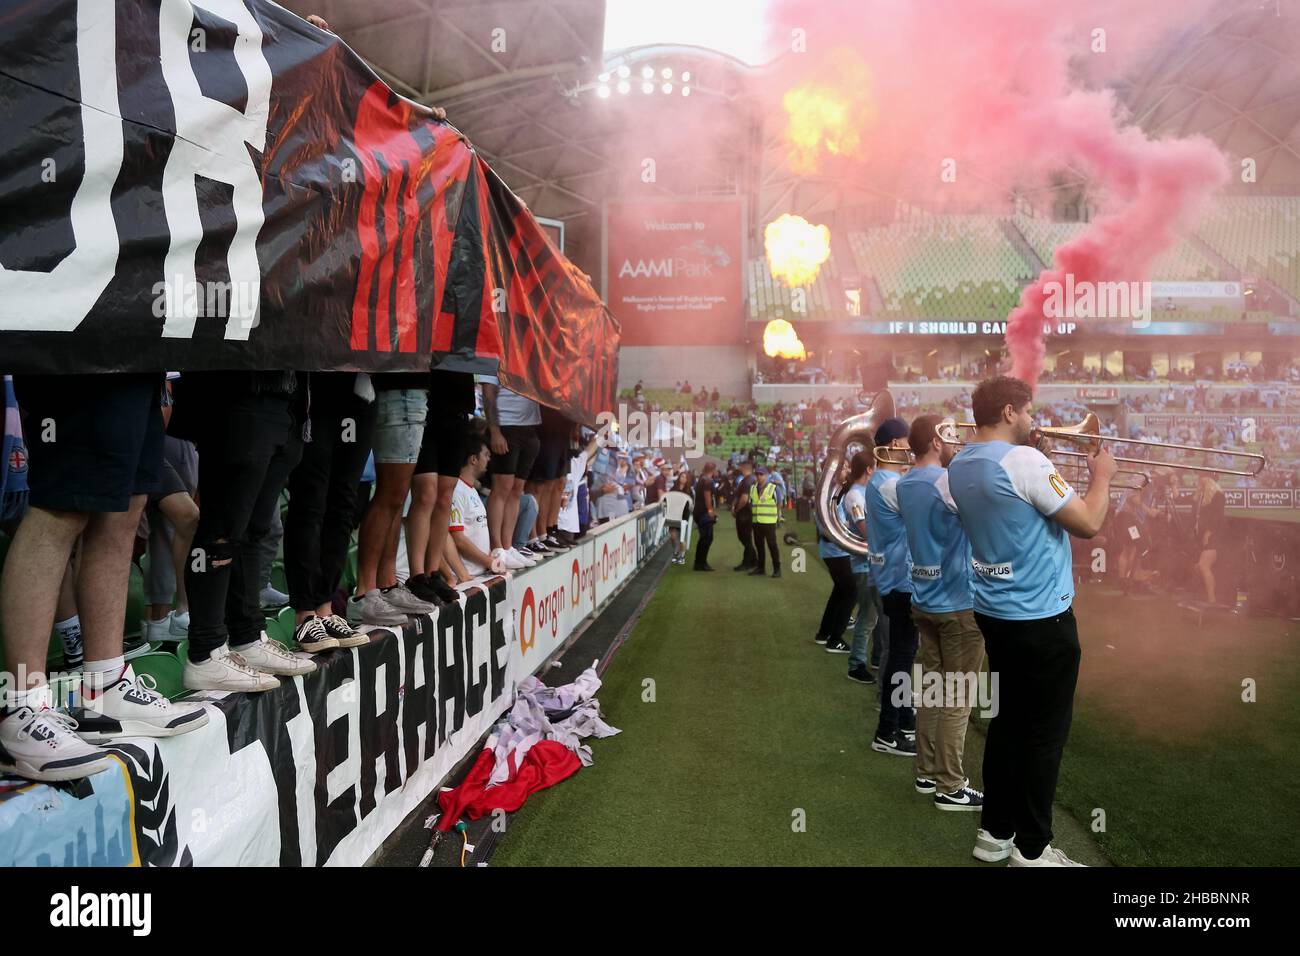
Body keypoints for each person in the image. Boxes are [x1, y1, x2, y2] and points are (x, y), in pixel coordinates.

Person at [1, 374, 207, 782]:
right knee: (61, 505)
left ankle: (105, 686)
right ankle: (20, 707)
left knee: (125, 508)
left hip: (140, 351)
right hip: (83, 346)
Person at [947, 375, 1116, 867]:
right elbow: (1087, 522)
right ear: (1008, 412)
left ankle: (995, 834)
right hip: (1042, 617)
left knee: (1008, 725)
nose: (1034, 421)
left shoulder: (960, 463)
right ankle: (1032, 848)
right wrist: (1101, 474)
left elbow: (1021, 506)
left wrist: (1042, 458)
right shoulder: (1024, 461)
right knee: (1043, 734)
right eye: (1028, 412)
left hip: (996, 614)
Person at [173, 371, 319, 691]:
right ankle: (205, 651)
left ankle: (247, 636)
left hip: (288, 398)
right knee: (221, 530)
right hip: (239, 391)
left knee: (254, 529)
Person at [896, 414, 984, 811]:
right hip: (957, 603)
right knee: (959, 695)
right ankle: (951, 785)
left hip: (924, 600)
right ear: (936, 440)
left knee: (932, 688)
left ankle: (926, 772)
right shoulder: (946, 482)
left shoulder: (904, 482)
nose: (955, 441)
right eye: (950, 435)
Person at [283, 371, 376, 653]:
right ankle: (305, 614)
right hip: (317, 383)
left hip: (361, 389)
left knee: (344, 502)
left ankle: (326, 608)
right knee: (311, 500)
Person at [351, 371, 440, 625]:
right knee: (389, 494)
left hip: (407, 390)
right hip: (399, 390)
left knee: (396, 496)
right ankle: (365, 593)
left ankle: (386, 584)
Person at [864, 418, 918, 757]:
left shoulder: (884, 481)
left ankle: (903, 718)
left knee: (903, 653)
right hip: (899, 580)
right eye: (907, 442)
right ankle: (887, 731)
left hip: (892, 578)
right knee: (902, 655)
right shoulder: (889, 484)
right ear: (896, 444)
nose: (911, 449)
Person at [479, 377, 540, 570]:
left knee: (516, 491)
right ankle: (496, 547)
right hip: (505, 426)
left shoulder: (533, 359)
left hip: (530, 427)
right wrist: (495, 430)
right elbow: (488, 396)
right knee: (502, 489)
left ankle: (508, 546)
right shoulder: (497, 354)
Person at [840, 451, 881, 681]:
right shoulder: (855, 495)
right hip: (864, 565)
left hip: (869, 564)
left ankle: (872, 659)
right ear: (868, 470)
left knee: (873, 617)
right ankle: (856, 665)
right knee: (867, 617)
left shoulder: (862, 492)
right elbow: (866, 529)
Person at [814, 461, 858, 652]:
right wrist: (847, 528)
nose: (847, 470)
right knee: (851, 591)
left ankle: (824, 633)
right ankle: (835, 638)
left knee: (840, 590)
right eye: (844, 467)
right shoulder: (828, 492)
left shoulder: (835, 490)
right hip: (834, 550)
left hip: (835, 550)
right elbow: (826, 527)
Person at [443, 430, 496, 583]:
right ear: (473, 459)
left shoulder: (470, 489)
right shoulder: (457, 491)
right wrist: (488, 562)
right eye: (486, 455)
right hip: (466, 577)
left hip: (481, 572)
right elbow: (458, 539)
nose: (488, 460)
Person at [1193, 474, 1226, 604]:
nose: (1199, 481)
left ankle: (1212, 600)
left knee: (1203, 565)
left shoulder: (1218, 495)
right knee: (1198, 567)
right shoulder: (1203, 497)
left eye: (1201, 479)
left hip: (1213, 536)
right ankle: (1205, 595)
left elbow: (1217, 517)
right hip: (1203, 536)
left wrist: (1208, 533)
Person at [748, 466, 781, 578]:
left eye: (761, 474)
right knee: (759, 545)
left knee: (772, 545)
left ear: (766, 475)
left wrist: (777, 517)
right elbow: (751, 503)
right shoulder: (753, 488)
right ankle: (761, 568)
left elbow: (779, 504)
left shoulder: (773, 488)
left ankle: (777, 569)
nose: (758, 476)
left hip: (769, 522)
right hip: (756, 521)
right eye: (757, 474)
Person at [731, 459, 758, 571]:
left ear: (744, 467)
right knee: (745, 538)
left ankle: (747, 562)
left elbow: (744, 498)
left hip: (745, 513)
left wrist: (737, 509)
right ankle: (753, 560)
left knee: (745, 537)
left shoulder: (748, 481)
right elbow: (739, 495)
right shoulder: (748, 479)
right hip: (746, 512)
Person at [692, 463, 718, 571]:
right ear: (713, 470)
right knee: (706, 538)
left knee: (705, 538)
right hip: (703, 513)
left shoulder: (702, 479)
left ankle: (700, 562)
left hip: (699, 511)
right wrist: (710, 511)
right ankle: (700, 563)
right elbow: (707, 496)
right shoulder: (708, 481)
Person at [666, 469, 693, 565]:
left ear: (688, 479)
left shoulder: (689, 491)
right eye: (682, 476)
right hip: (673, 515)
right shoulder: (673, 489)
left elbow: (691, 505)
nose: (683, 479)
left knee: (682, 538)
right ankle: (675, 551)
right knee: (673, 536)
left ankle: (682, 555)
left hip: (684, 517)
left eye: (685, 477)